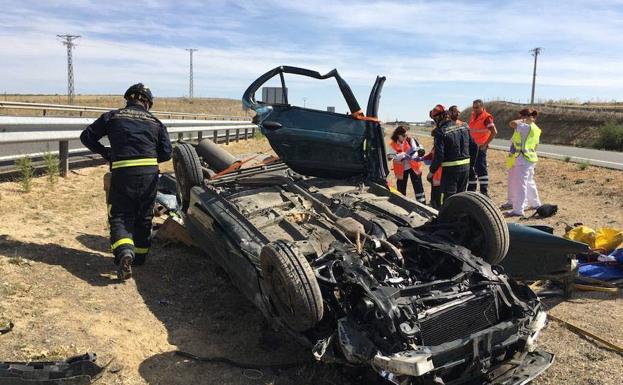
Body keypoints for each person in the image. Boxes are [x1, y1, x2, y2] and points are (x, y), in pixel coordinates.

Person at [80, 83, 172, 280]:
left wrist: (107, 153)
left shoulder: (112, 116)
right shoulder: (156, 122)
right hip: (149, 174)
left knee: (120, 215)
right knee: (144, 215)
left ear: (128, 99)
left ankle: (124, 253)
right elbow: (166, 153)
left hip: (122, 172)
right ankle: (139, 258)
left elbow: (86, 137)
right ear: (147, 103)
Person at [502, 108, 542, 217]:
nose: (519, 118)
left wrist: (524, 120)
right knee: (529, 182)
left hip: (522, 159)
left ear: (524, 116)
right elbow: (536, 145)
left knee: (520, 185)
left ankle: (518, 210)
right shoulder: (536, 128)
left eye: (521, 116)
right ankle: (535, 203)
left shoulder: (525, 126)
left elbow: (512, 123)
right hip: (530, 158)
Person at [429, 104, 471, 204]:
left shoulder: (440, 132)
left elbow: (439, 155)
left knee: (448, 201)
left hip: (450, 171)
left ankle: (447, 219)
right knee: (460, 198)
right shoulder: (464, 126)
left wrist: (431, 172)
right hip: (465, 168)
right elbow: (474, 147)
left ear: (438, 118)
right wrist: (471, 166)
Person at [387, 125, 426, 203]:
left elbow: (419, 149)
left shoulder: (410, 140)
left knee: (419, 188)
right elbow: (389, 157)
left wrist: (418, 153)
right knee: (401, 189)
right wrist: (399, 155)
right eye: (404, 135)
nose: (406, 137)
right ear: (398, 135)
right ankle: (401, 204)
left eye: (406, 135)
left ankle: (422, 203)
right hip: (401, 170)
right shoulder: (392, 144)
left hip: (414, 168)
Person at [467, 99, 497, 196]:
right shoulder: (473, 115)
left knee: (481, 168)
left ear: (482, 107)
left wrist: (485, 144)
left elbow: (494, 132)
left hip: (480, 147)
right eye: (474, 107)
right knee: (472, 168)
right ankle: (471, 190)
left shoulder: (486, 117)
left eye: (477, 107)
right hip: (472, 147)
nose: (475, 109)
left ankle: (484, 191)